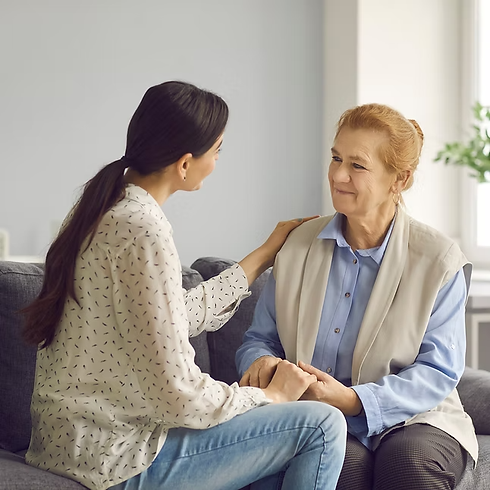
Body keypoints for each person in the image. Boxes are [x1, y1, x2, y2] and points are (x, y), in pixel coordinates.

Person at [22, 81, 347, 490]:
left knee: (274, 461)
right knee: (322, 425)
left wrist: (264, 254)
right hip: (117, 458)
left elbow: (170, 317)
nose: (216, 162)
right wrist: (270, 397)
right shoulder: (144, 229)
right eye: (217, 151)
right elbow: (178, 394)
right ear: (185, 163)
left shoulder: (102, 208)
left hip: (69, 446)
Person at [236, 103, 478, 490]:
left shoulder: (438, 259)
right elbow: (260, 339)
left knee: (408, 464)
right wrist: (262, 363)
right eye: (335, 158)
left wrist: (354, 400)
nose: (338, 175)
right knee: (340, 466)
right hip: (315, 415)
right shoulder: (298, 245)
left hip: (415, 417)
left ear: (399, 179)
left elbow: (439, 371)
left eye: (357, 165)